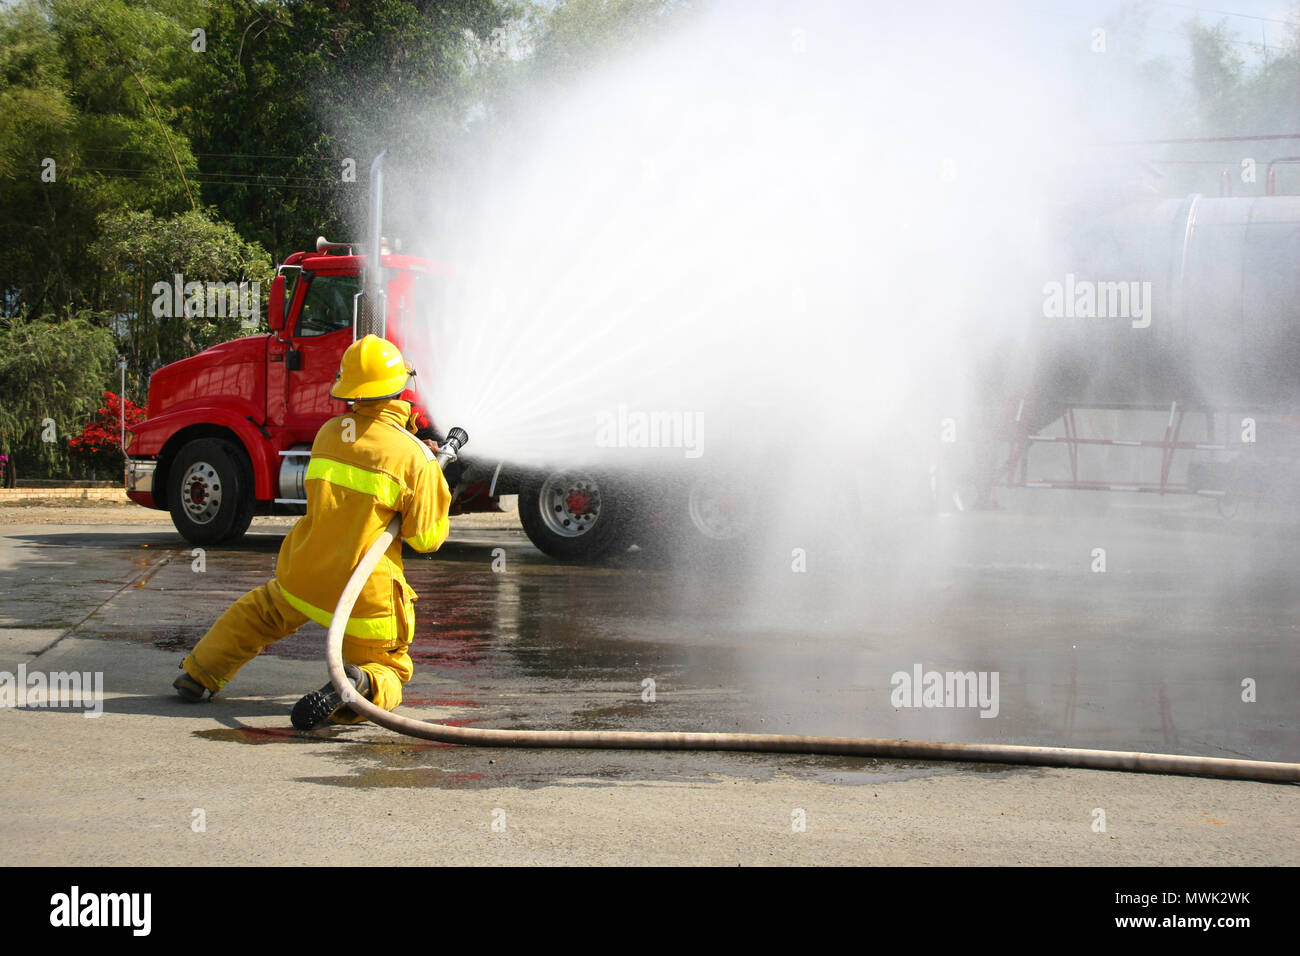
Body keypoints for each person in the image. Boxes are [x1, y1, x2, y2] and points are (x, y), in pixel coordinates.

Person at [172, 335, 452, 730]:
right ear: (399, 388)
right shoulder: (415, 459)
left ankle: (199, 673)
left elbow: (364, 460)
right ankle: (356, 685)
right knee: (390, 668)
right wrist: (431, 480)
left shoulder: (329, 433)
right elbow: (426, 539)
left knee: (259, 614)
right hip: (362, 595)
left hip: (305, 573)